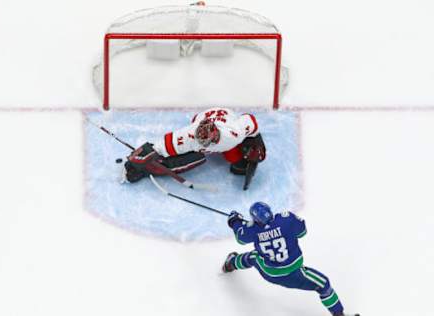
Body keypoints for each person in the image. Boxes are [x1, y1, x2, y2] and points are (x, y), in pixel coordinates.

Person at [223, 202, 359, 316]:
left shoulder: (251, 230)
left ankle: (230, 264)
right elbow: (302, 232)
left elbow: (240, 237)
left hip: (269, 272)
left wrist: (235, 221)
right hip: (294, 273)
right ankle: (339, 314)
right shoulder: (286, 220)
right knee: (323, 284)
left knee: (253, 257)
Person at [123, 107, 266, 189]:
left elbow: (249, 120)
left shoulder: (233, 134)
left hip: (226, 115)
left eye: (205, 142)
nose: (200, 144)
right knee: (195, 156)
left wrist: (256, 140)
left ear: (215, 138)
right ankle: (149, 170)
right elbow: (160, 146)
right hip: (201, 116)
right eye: (199, 140)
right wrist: (140, 161)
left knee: (234, 157)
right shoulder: (190, 135)